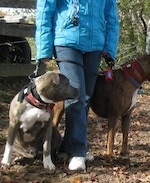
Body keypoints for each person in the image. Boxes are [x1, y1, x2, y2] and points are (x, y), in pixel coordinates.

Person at [35, 0, 120, 170]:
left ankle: (66, 148)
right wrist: (44, 48)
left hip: (95, 44)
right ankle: (78, 152)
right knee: (76, 94)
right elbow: (45, 9)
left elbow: (111, 16)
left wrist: (109, 47)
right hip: (66, 41)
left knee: (86, 97)